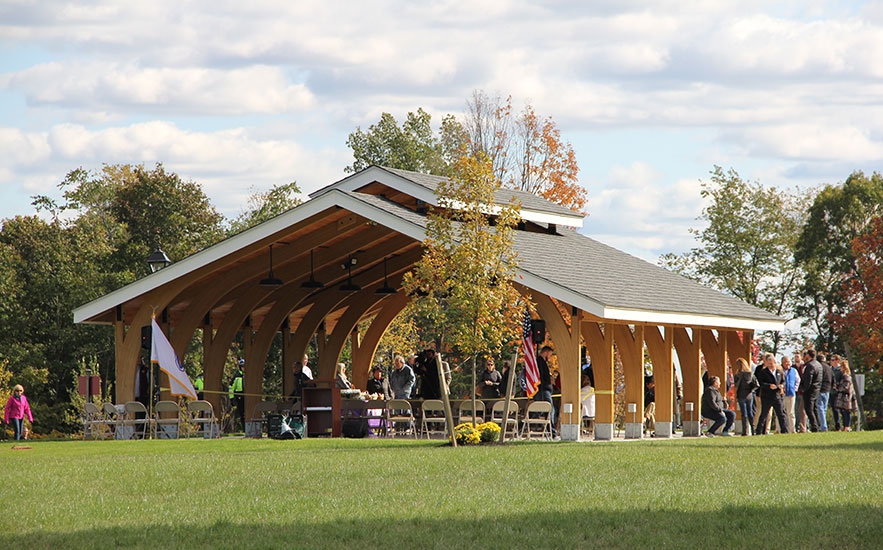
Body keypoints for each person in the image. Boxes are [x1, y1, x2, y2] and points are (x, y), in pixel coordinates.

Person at [755, 353, 789, 434]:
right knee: (763, 414)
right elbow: (761, 383)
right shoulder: (763, 372)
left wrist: (781, 386)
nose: (770, 365)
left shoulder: (779, 372)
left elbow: (783, 381)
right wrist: (769, 386)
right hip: (767, 396)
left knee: (781, 414)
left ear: (775, 363)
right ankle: (759, 431)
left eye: (772, 363)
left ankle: (785, 431)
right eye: (769, 363)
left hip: (777, 396)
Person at [733, 358, 759, 436]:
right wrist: (751, 389)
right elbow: (757, 384)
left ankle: (745, 431)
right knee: (750, 412)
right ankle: (753, 430)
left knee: (744, 413)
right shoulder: (750, 374)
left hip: (741, 394)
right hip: (749, 394)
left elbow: (736, 384)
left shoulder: (738, 374)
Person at [799, 349, 822, 432]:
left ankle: (814, 426)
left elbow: (808, 378)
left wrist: (804, 388)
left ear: (808, 355)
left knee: (809, 409)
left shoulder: (810, 365)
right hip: (816, 389)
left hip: (810, 390)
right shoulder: (818, 365)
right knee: (814, 408)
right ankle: (818, 424)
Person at [537, 345, 557, 437]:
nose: (550, 356)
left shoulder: (543, 363)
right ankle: (552, 431)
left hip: (546, 389)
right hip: (544, 390)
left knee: (549, 410)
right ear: (545, 352)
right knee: (550, 409)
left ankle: (549, 430)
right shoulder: (540, 362)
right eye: (549, 354)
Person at [832, 360, 855, 431]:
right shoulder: (845, 376)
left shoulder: (846, 376)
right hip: (844, 396)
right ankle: (846, 426)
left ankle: (847, 426)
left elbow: (846, 386)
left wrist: (838, 388)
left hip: (846, 396)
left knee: (846, 412)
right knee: (843, 411)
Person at [781, 355, 800, 434]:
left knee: (791, 413)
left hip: (791, 393)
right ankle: (780, 429)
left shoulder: (793, 370)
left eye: (789, 362)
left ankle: (792, 429)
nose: (787, 363)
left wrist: (795, 389)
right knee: (781, 412)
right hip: (782, 394)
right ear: (782, 363)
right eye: (786, 362)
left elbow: (798, 380)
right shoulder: (780, 370)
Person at [816, 352, 834, 432]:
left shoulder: (819, 367)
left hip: (820, 389)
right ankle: (823, 424)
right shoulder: (829, 368)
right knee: (824, 408)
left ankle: (823, 426)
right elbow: (833, 378)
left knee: (820, 408)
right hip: (827, 389)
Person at [229, 359, 245, 431]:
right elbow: (231, 388)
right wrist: (232, 398)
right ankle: (244, 428)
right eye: (242, 366)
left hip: (248, 396)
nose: (244, 368)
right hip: (239, 396)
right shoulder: (236, 376)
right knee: (242, 413)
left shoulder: (249, 375)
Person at [829, 354, 843, 430]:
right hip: (832, 392)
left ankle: (845, 425)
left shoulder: (840, 370)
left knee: (841, 409)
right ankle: (838, 427)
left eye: (833, 360)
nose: (831, 361)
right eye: (831, 360)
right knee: (834, 409)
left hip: (839, 392)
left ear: (838, 360)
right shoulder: (831, 370)